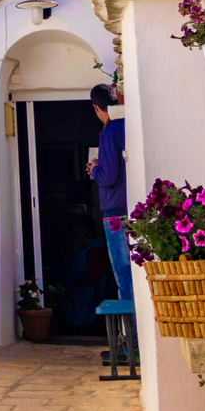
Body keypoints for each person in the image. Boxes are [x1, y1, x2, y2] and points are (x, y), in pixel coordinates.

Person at [90, 84, 132, 302]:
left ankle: (132, 333)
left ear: (96, 108)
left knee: (123, 273)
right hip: (132, 207)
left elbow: (108, 177)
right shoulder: (129, 126)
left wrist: (94, 169)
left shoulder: (109, 132)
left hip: (115, 211)